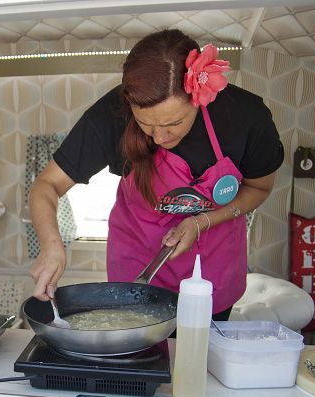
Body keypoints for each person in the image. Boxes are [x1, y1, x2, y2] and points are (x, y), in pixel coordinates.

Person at [29, 29, 284, 321]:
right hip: (137, 266)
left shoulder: (245, 117)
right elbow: (46, 184)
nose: (160, 136)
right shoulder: (111, 115)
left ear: (198, 98)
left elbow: (259, 188)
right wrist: (51, 246)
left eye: (173, 122)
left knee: (197, 356)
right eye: (146, 124)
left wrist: (202, 222)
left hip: (212, 270)